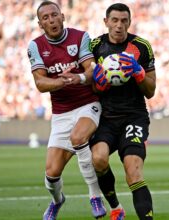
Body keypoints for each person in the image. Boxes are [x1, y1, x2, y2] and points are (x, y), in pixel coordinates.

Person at [27, 1, 106, 219]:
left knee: (78, 137)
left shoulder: (80, 37)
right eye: (45, 18)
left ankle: (95, 196)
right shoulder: (35, 46)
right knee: (51, 173)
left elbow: (91, 70)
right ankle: (57, 200)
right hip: (61, 113)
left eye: (54, 15)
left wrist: (78, 78)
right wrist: (64, 81)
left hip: (87, 104)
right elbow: (41, 84)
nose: (51, 20)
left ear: (63, 17)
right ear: (40, 23)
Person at [89, 3, 156, 220]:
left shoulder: (141, 46)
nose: (119, 25)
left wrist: (139, 74)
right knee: (98, 159)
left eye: (124, 20)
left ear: (130, 21)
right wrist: (98, 84)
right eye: (115, 20)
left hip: (133, 117)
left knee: (133, 172)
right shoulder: (95, 46)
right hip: (105, 118)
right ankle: (116, 208)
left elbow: (151, 90)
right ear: (106, 21)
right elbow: (89, 88)